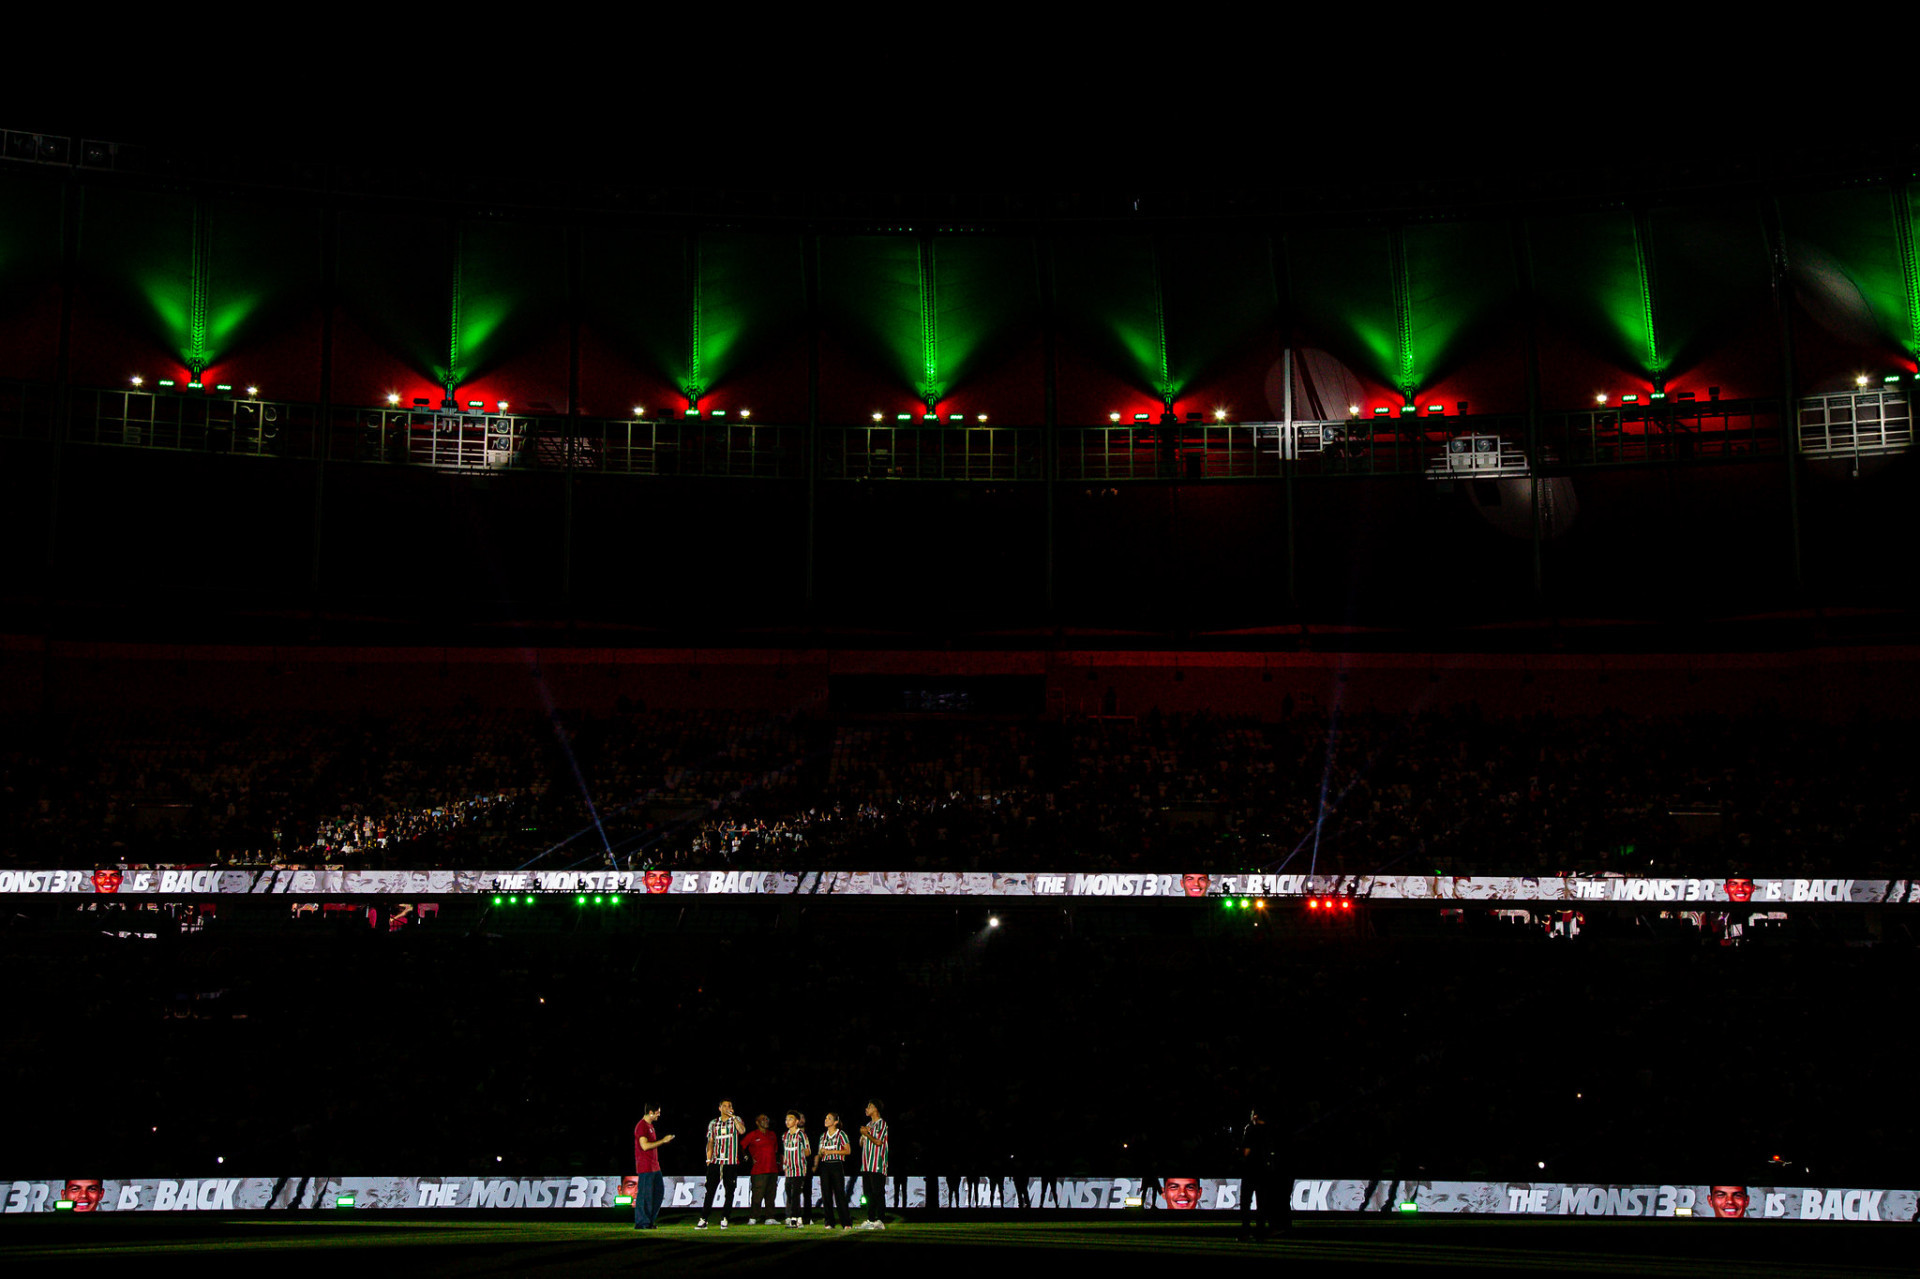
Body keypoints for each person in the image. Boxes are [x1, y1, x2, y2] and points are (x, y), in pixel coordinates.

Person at [698, 1098, 746, 1229]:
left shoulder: (736, 1120)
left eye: (729, 1105)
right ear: (719, 1108)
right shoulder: (713, 1123)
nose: (727, 1108)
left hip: (730, 1162)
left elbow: (742, 1131)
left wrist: (734, 1117)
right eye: (724, 1106)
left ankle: (725, 1217)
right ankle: (704, 1218)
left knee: (729, 1191)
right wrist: (708, 1158)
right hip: (715, 1161)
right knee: (710, 1191)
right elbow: (710, 1141)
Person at [632, 1104, 674, 1230]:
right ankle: (641, 1223)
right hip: (645, 1166)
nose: (659, 1114)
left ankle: (649, 1221)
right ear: (650, 1112)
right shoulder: (642, 1126)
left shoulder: (650, 1126)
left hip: (655, 1166)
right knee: (645, 1196)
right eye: (657, 1112)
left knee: (658, 1194)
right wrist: (663, 1141)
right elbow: (644, 1146)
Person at [1240, 1108, 1278, 1240]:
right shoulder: (1270, 1130)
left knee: (1246, 1202)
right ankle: (1260, 1231)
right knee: (1262, 1202)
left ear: (1255, 1116)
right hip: (1264, 1171)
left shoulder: (1250, 1129)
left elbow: (1246, 1151)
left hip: (1251, 1170)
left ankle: (1246, 1230)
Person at [815, 1111, 854, 1229]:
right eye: (826, 1118)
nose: (826, 1120)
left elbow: (848, 1151)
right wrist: (821, 1153)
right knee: (826, 1194)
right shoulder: (823, 1136)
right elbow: (820, 1152)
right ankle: (829, 1222)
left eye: (829, 1118)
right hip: (825, 1166)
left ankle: (846, 1222)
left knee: (839, 1194)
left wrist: (832, 1152)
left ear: (835, 1122)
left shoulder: (841, 1134)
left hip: (836, 1165)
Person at [857, 1099, 890, 1229]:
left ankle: (880, 1220)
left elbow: (878, 1142)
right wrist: (863, 1135)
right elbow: (861, 1143)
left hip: (877, 1163)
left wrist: (867, 1134)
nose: (866, 1109)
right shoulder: (868, 1124)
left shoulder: (882, 1124)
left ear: (876, 1109)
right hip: (866, 1164)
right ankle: (870, 1219)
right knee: (868, 1193)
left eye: (869, 1106)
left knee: (878, 1192)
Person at [743, 1114, 779, 1224]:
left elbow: (776, 1151)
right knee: (757, 1196)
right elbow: (741, 1147)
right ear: (757, 1122)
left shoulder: (772, 1135)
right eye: (763, 1119)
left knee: (771, 1195)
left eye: (767, 1119)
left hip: (772, 1170)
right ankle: (753, 1217)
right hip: (759, 1171)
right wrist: (748, 1158)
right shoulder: (753, 1135)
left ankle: (770, 1217)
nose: (766, 1121)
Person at [780, 1111, 812, 1227]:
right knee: (789, 1192)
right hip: (788, 1170)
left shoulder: (801, 1135)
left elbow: (808, 1152)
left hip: (799, 1169)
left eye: (790, 1119)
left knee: (795, 1194)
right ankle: (798, 1217)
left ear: (796, 1121)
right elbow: (784, 1152)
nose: (787, 1121)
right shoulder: (785, 1135)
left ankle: (793, 1219)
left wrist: (800, 1154)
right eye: (786, 1119)